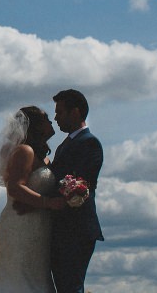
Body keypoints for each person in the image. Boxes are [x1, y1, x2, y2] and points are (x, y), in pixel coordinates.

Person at [0, 105, 66, 293]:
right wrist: (48, 203)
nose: (51, 121)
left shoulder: (42, 157)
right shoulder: (25, 151)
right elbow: (15, 187)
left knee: (33, 274)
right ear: (35, 126)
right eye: (46, 118)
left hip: (38, 224)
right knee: (21, 274)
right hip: (21, 224)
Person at [49, 89, 104, 293]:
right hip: (68, 229)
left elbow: (82, 184)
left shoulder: (89, 143)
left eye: (59, 112)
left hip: (75, 229)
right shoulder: (69, 144)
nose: (55, 118)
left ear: (75, 112)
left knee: (70, 286)